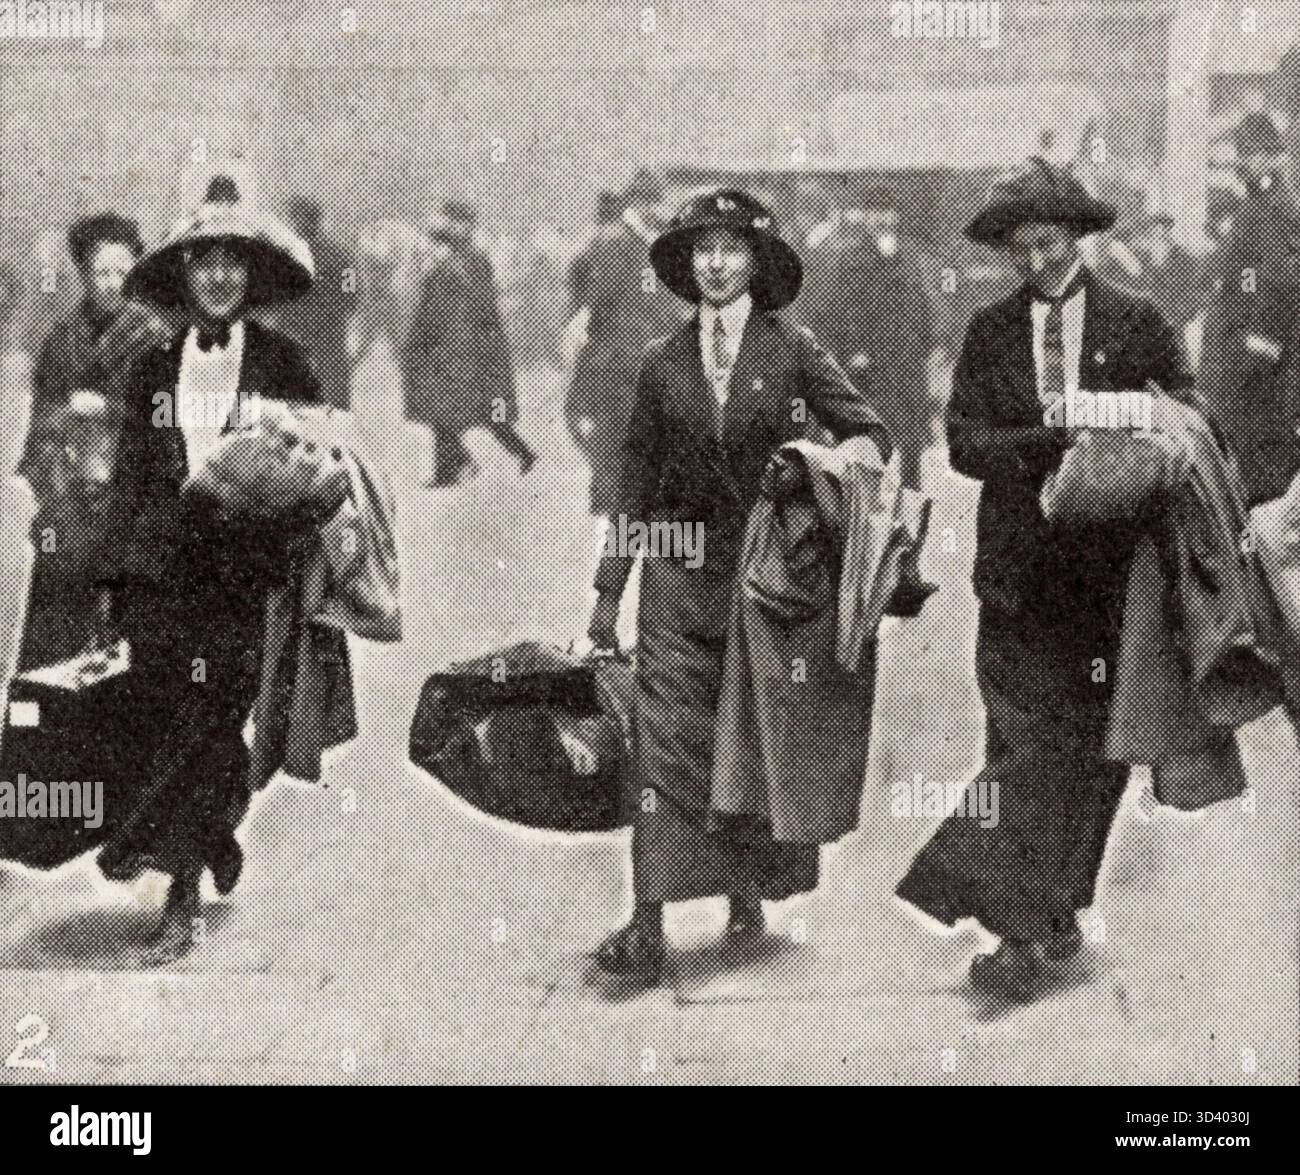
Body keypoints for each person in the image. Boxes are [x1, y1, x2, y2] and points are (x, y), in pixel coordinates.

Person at [894, 158, 1194, 1001]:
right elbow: (961, 441)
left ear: (1078, 237)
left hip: (1109, 582)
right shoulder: (988, 332)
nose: (1035, 263)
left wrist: (1103, 419)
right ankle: (1017, 933)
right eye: (1020, 249)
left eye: (1049, 244)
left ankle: (1054, 906)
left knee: (1098, 756)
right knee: (1023, 747)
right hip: (1018, 579)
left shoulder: (1137, 321)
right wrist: (1041, 443)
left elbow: (1184, 412)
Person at [586, 189, 890, 985]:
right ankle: (647, 917)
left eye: (731, 249)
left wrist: (806, 466)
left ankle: (748, 891)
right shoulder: (661, 363)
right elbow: (633, 483)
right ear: (687, 267)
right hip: (676, 578)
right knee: (661, 745)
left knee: (749, 740)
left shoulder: (793, 352)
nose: (716, 264)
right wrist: (606, 593)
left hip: (765, 583)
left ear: (757, 263)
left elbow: (870, 434)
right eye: (702, 250)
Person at [91, 199, 320, 965]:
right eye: (203, 261)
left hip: (244, 579)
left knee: (217, 716)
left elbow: (319, 470)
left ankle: (186, 856)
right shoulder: (152, 367)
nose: (219, 276)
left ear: (250, 276)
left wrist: (283, 517)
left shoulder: (284, 363)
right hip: (161, 577)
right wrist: (111, 581)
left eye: (233, 262)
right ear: (184, 276)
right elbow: (129, 480)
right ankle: (189, 874)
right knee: (174, 719)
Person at [799, 188, 936, 489]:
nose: (882, 220)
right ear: (866, 218)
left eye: (888, 212)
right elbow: (845, 308)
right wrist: (854, 350)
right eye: (875, 213)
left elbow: (923, 302)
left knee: (911, 440)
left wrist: (927, 343)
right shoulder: (853, 257)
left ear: (896, 217)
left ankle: (910, 509)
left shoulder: (910, 254)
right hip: (872, 361)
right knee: (870, 435)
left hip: (907, 358)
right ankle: (865, 506)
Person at [20, 214, 168, 490]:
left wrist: (109, 409)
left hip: (137, 482)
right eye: (102, 273)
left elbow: (168, 417)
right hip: (73, 482)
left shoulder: (156, 337)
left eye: (122, 273)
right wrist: (68, 411)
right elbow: (41, 422)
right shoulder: (61, 340)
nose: (114, 284)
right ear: (85, 274)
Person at [564, 173, 684, 515]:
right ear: (638, 203)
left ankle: (631, 500)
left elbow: (606, 298)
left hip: (637, 349)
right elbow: (605, 298)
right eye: (650, 202)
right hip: (632, 350)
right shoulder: (628, 240)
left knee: (630, 427)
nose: (654, 209)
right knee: (621, 426)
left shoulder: (636, 239)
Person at [430, 201, 536, 480]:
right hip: (463, 345)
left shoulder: (474, 259)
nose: (451, 228)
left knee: (485, 410)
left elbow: (481, 305)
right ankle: (451, 467)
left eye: (456, 222)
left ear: (467, 226)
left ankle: (520, 452)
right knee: (450, 406)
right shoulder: (455, 257)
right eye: (449, 221)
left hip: (478, 347)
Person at [273, 195, 358, 410]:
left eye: (296, 219)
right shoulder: (341, 256)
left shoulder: (286, 257)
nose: (294, 225)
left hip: (309, 336)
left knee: (299, 402)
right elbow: (353, 296)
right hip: (322, 337)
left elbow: (352, 293)